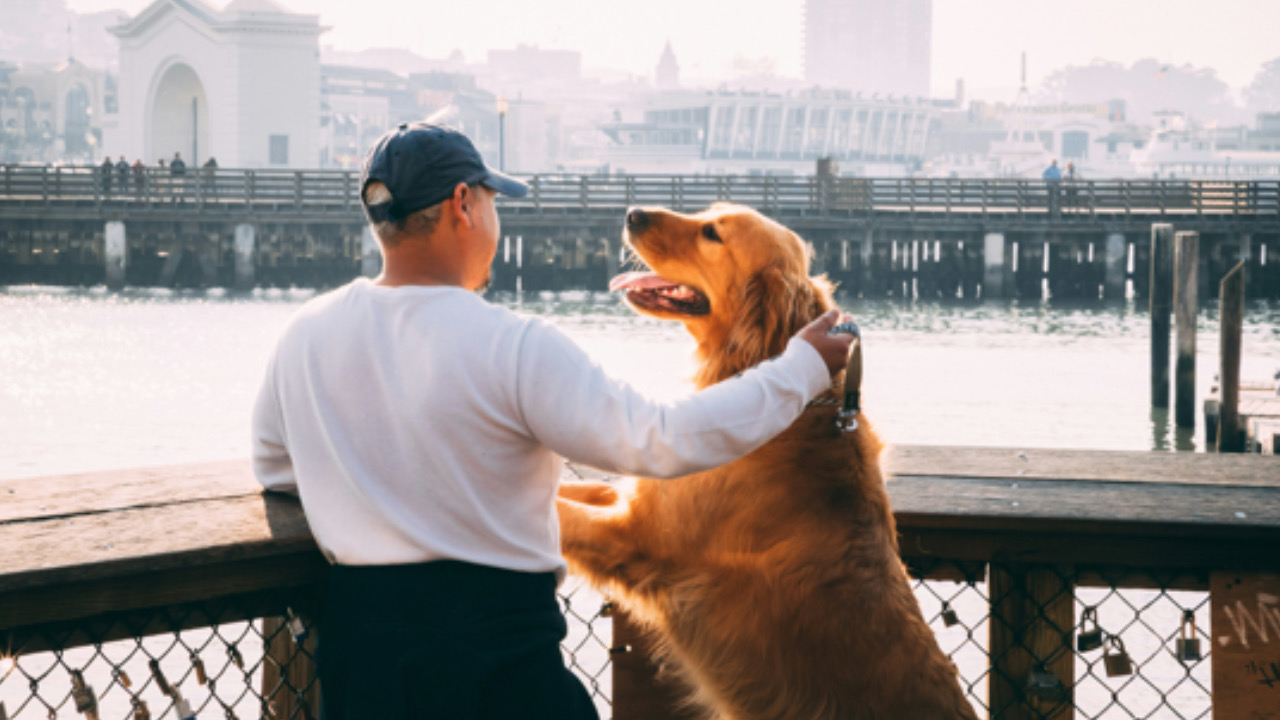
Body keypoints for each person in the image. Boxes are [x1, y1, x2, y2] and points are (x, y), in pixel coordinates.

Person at [251, 122, 855, 720]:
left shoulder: (302, 335)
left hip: (363, 665)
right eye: (491, 200)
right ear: (464, 204)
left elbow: (276, 471)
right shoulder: (512, 344)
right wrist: (800, 369)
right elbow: (659, 438)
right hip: (496, 659)